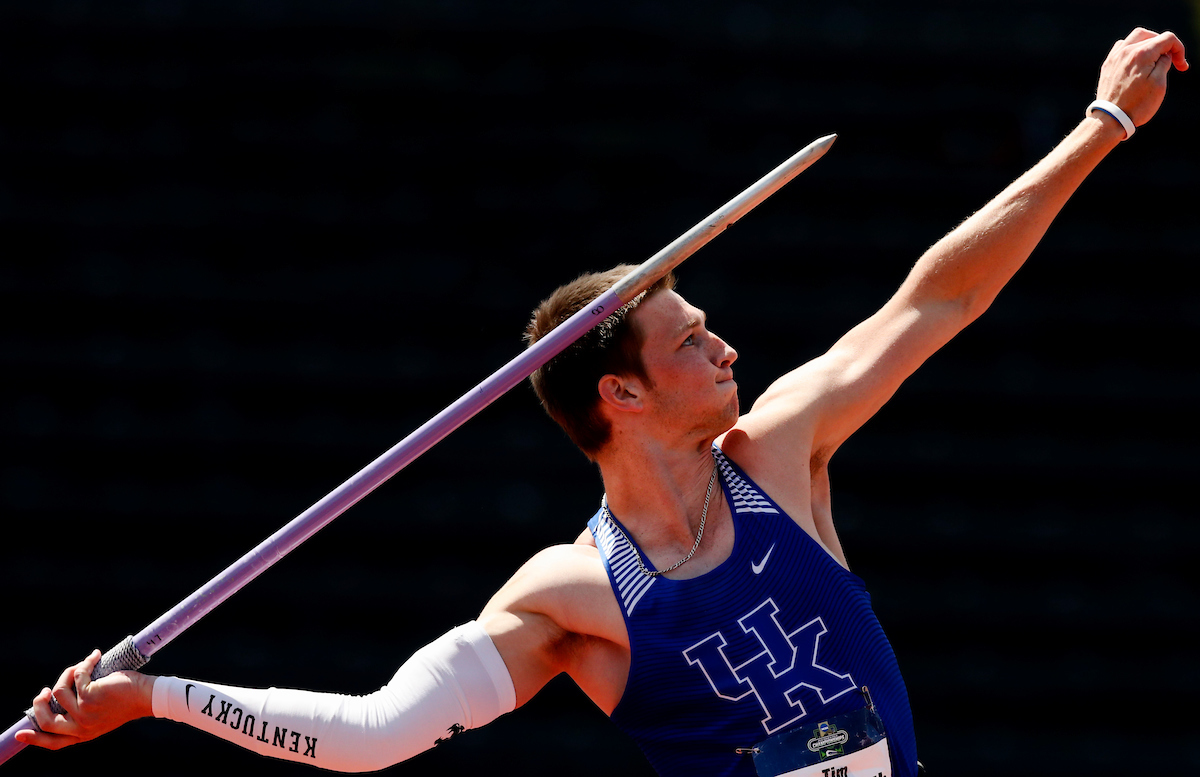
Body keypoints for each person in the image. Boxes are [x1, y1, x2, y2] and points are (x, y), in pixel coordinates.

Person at [17, 27, 1187, 777]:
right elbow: (375, 735)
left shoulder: (776, 456)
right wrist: (160, 700)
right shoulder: (573, 596)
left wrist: (1104, 127)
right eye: (691, 339)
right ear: (619, 392)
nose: (726, 347)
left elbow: (938, 302)